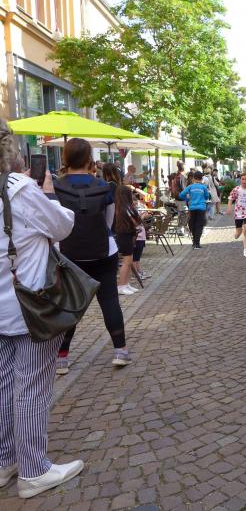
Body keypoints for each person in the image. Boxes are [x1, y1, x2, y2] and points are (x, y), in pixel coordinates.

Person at [0, 122, 86, 499]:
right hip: (32, 305)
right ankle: (33, 470)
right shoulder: (18, 189)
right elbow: (62, 225)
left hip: (2, 306)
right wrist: (48, 192)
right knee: (31, 385)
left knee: (4, 383)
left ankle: (5, 460)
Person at [54, 138, 131, 375]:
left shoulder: (55, 187)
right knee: (109, 301)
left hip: (68, 253)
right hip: (103, 251)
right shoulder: (105, 187)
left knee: (69, 305)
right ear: (89, 159)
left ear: (65, 158)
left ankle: (62, 358)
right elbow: (109, 222)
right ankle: (120, 350)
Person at [114, 186, 143, 296]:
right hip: (125, 236)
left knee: (129, 261)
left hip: (126, 235)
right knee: (126, 262)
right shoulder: (126, 208)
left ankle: (126, 284)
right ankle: (121, 285)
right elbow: (135, 221)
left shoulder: (120, 207)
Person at [226, 173, 246, 257]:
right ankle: (237, 234)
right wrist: (229, 208)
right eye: (243, 179)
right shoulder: (236, 189)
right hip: (238, 213)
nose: (244, 181)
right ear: (240, 180)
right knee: (238, 233)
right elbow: (230, 198)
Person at [179, 171, 210, 250]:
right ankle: (197, 243)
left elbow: (181, 195)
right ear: (202, 178)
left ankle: (194, 242)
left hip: (192, 208)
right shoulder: (203, 187)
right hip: (201, 208)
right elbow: (207, 197)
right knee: (199, 225)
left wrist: (188, 199)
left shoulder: (190, 187)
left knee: (192, 224)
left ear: (193, 178)